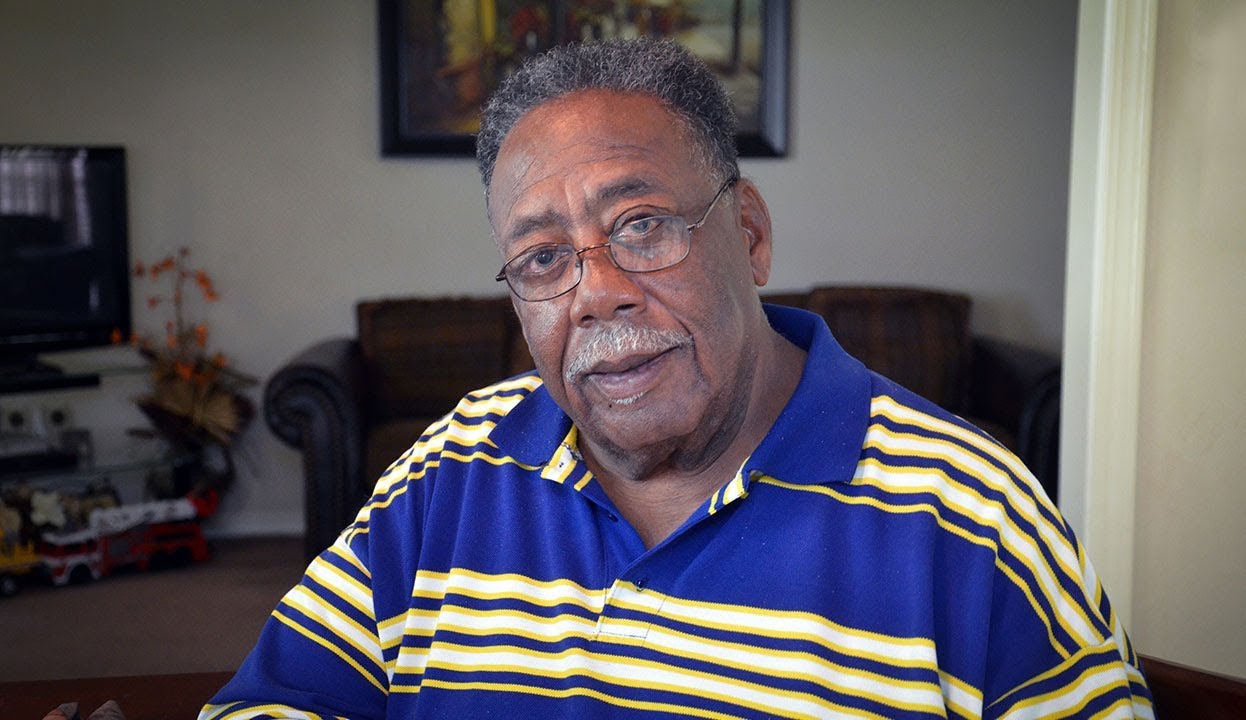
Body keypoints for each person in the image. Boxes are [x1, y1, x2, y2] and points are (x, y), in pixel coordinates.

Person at [201, 39, 1153, 719]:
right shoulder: (451, 466)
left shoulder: (974, 516)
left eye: (642, 226)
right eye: (543, 258)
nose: (596, 294)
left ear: (750, 234)